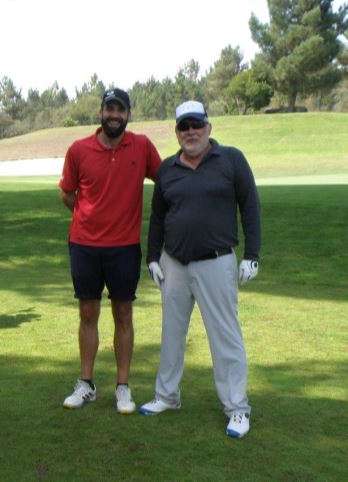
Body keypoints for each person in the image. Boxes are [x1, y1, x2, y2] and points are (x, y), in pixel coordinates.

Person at [139, 100, 261, 439]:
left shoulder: (231, 160)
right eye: (184, 126)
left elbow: (250, 207)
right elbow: (159, 218)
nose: (190, 132)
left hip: (217, 261)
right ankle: (167, 395)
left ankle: (237, 408)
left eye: (196, 125)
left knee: (225, 337)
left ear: (208, 127)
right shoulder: (166, 169)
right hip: (174, 263)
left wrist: (252, 254)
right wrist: (152, 257)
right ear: (176, 132)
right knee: (171, 335)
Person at [60, 88, 161, 413]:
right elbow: (67, 192)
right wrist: (89, 215)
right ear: (101, 113)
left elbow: (167, 180)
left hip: (124, 248)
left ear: (128, 114)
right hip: (85, 247)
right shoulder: (79, 149)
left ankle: (122, 387)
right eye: (109, 109)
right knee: (87, 314)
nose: (114, 115)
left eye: (120, 110)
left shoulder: (142, 146)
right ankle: (86, 384)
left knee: (124, 314)